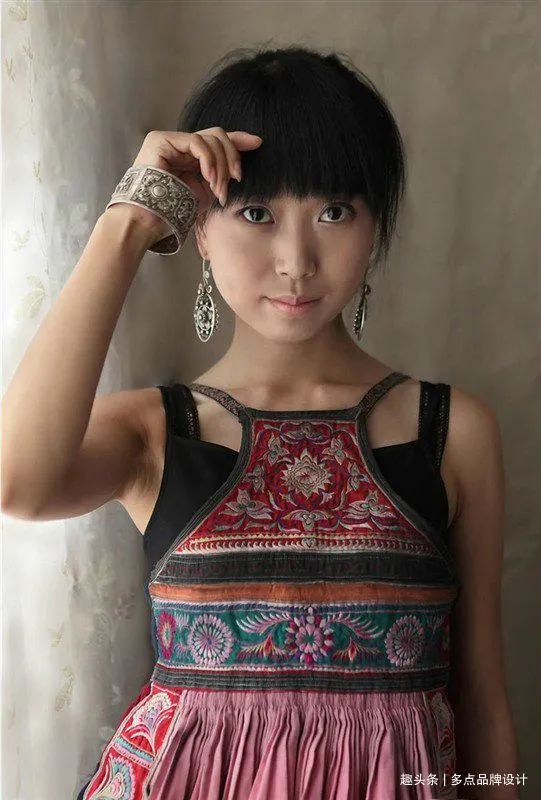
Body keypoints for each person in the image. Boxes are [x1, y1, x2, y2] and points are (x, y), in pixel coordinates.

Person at [2, 45, 519, 800]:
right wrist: (131, 221)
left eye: (334, 212)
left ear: (375, 227)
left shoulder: (451, 431)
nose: (295, 260)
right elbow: (17, 483)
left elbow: (483, 700)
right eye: (255, 213)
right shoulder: (157, 431)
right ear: (200, 230)